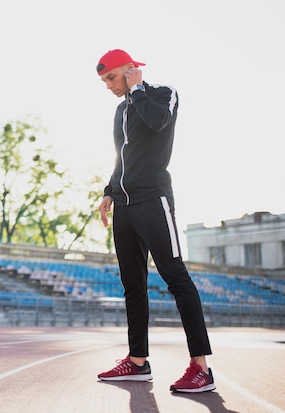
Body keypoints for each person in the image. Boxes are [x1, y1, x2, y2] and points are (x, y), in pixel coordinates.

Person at [94, 49, 216, 393]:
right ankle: (137, 362)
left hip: (154, 200)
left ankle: (201, 368)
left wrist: (136, 90)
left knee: (176, 277)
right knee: (132, 285)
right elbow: (121, 158)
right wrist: (108, 191)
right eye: (105, 81)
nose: (108, 87)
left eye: (112, 78)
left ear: (131, 71)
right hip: (124, 206)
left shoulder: (164, 95)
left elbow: (158, 122)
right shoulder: (120, 111)